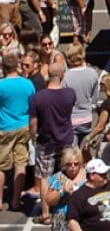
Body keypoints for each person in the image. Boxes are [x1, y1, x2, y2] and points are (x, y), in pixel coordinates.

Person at [30, 60, 76, 226]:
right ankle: (69, 208)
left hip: (45, 141)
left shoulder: (38, 97)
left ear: (48, 76)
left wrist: (33, 137)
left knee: (44, 177)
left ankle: (45, 214)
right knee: (67, 173)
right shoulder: (70, 94)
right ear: (62, 75)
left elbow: (33, 123)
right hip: (65, 139)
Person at [0, 50, 35, 212]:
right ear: (18, 66)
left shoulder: (1, 85)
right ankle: (15, 200)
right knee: (20, 164)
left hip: (5, 127)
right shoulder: (27, 84)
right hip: (23, 126)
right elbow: (32, 104)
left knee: (1, 167)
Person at [67, 159, 110, 231]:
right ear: (92, 176)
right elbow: (72, 221)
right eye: (102, 174)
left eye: (106, 173)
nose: (106, 176)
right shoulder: (79, 195)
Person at [45, 146, 88, 231]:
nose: (72, 166)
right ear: (64, 163)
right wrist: (62, 190)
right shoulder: (58, 177)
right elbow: (49, 201)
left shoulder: (88, 176)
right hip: (62, 219)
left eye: (76, 164)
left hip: (83, 218)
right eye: (69, 164)